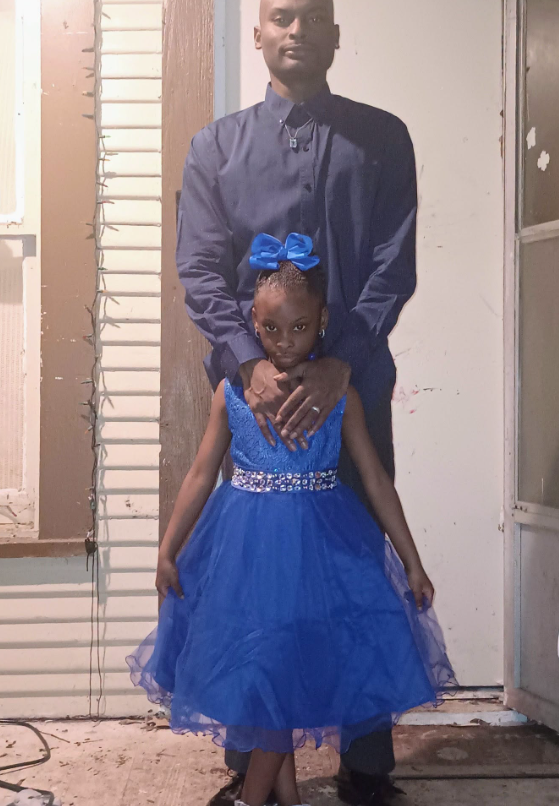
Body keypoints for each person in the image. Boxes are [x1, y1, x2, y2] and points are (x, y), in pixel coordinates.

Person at [175, 0, 419, 804]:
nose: (296, 30)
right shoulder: (216, 148)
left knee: (356, 570)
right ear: (258, 35)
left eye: (314, 18)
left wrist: (339, 358)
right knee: (255, 582)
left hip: (353, 390)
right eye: (281, 16)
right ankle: (253, 763)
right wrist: (252, 364)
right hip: (251, 404)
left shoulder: (383, 139)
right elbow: (200, 271)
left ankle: (366, 765)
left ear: (335, 36)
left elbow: (394, 263)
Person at [128, 237, 455, 806]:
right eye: (272, 329)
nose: (285, 342)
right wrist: (168, 547)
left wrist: (412, 561)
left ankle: (256, 800)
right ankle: (285, 798)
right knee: (265, 679)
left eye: (300, 328)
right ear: (253, 322)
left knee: (279, 677)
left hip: (322, 550)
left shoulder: (340, 397)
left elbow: (375, 480)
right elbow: (202, 474)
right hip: (243, 551)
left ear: (323, 321)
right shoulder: (232, 393)